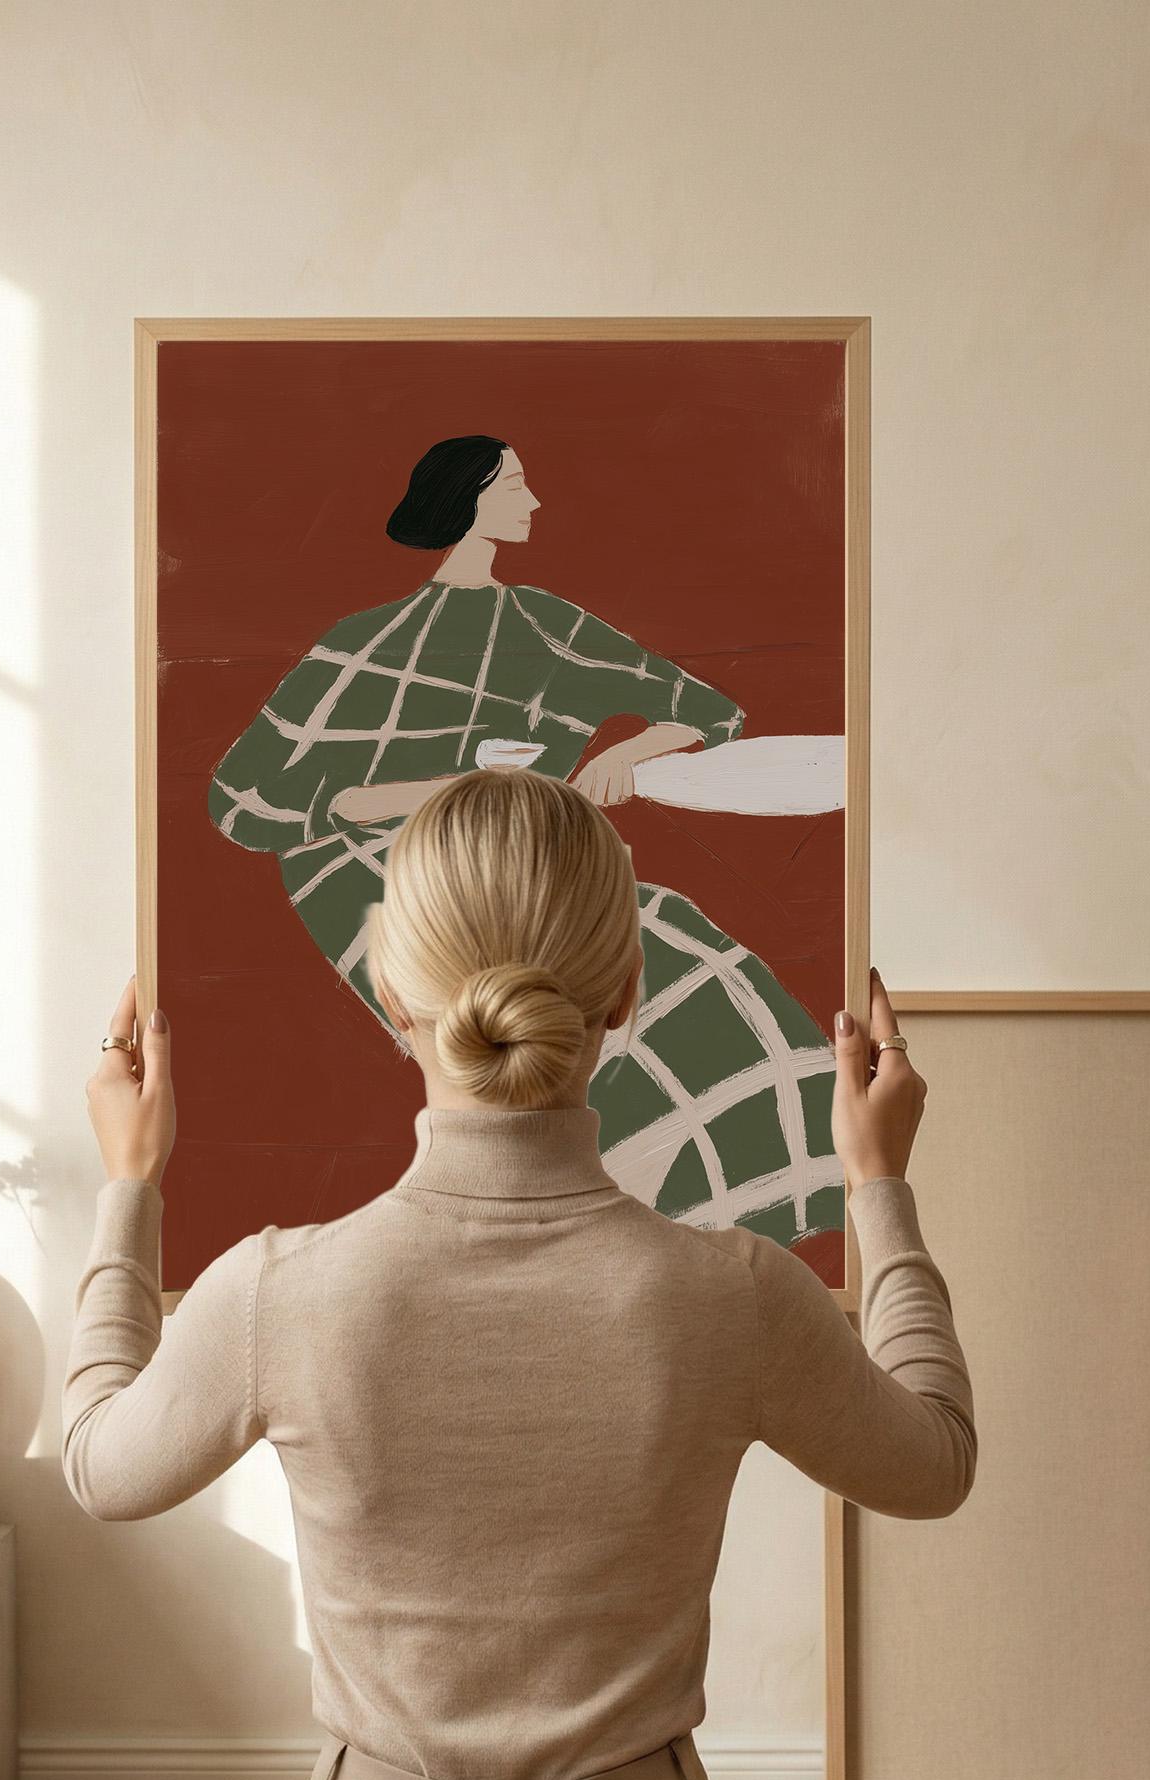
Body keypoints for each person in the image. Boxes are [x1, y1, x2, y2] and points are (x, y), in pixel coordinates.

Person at [65, 770, 977, 1780]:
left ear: (389, 994)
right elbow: (934, 1461)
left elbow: (98, 1466)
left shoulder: (281, 1290)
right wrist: (878, 1185)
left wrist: (128, 1187)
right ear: (625, 994)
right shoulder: (729, 1294)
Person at [206, 434, 845, 1248]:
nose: (534, 501)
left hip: (519, 852)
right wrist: (443, 791)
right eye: (513, 486)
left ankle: (757, 1207)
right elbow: (244, 804)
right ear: (465, 501)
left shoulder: (544, 625)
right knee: (559, 988)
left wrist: (624, 752)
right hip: (378, 871)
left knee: (690, 951)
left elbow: (706, 711)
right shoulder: (361, 643)